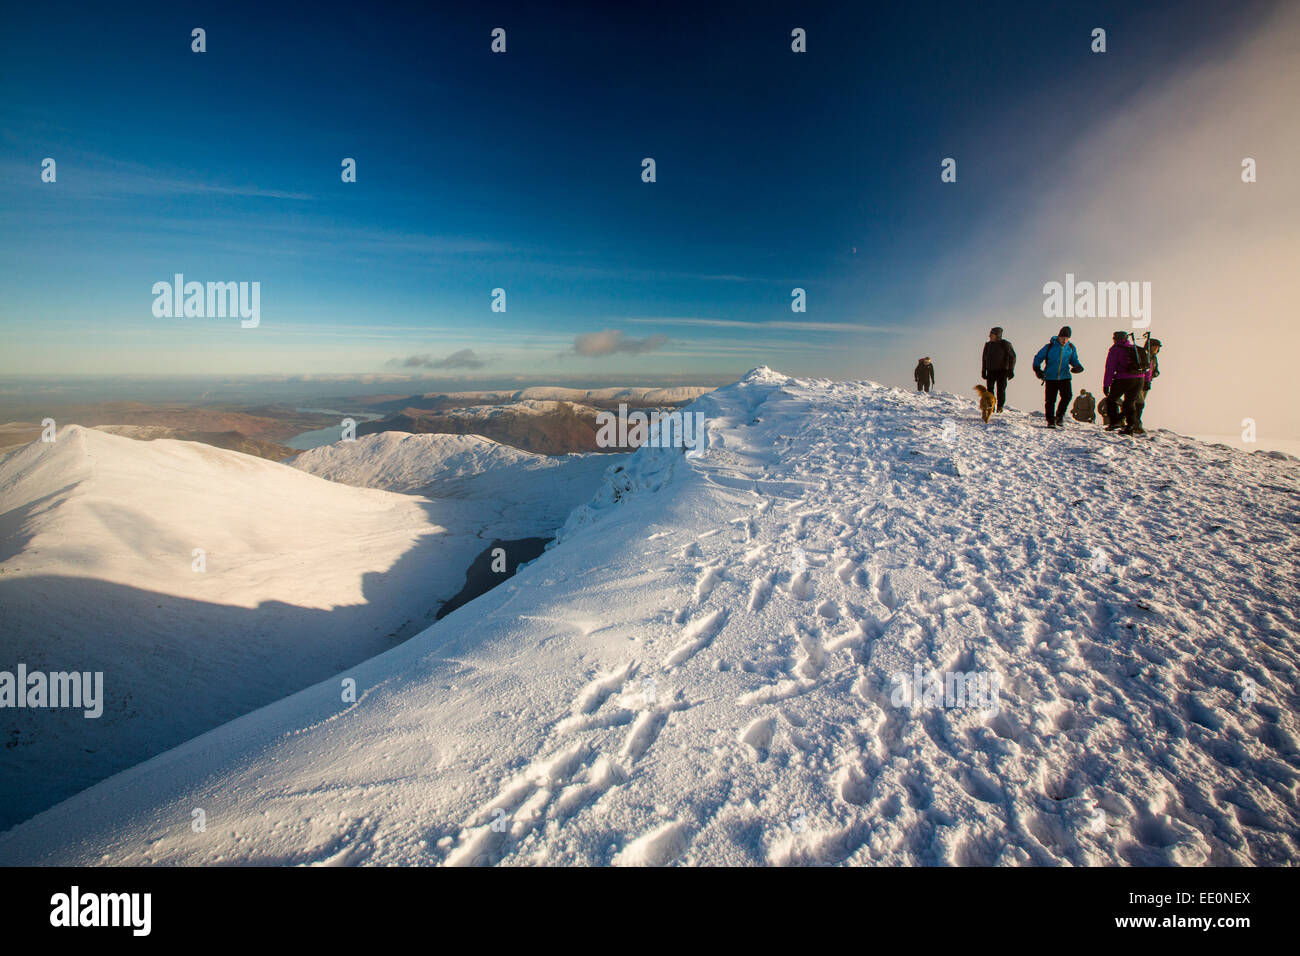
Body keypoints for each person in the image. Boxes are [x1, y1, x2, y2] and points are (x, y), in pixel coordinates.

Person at [1032, 326, 1084, 429]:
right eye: (1062, 337)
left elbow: (1074, 360)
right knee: (1050, 400)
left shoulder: (1071, 348)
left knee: (1067, 396)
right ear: (1058, 336)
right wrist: (1037, 370)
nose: (1064, 340)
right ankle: (1050, 420)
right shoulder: (1049, 347)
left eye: (1067, 338)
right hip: (1051, 377)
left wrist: (1078, 367)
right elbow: (1038, 358)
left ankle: (1060, 416)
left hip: (1065, 376)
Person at [1102, 330, 1148, 434]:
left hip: (1123, 379)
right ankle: (1130, 426)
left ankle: (1115, 422)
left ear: (1115, 339)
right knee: (1129, 402)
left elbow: (1110, 368)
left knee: (1111, 400)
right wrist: (1147, 381)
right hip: (1139, 379)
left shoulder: (1115, 350)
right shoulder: (1135, 349)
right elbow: (1147, 365)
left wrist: (1106, 385)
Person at [981, 327, 1016, 413]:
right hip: (990, 371)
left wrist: (1011, 369)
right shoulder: (988, 345)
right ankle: (991, 407)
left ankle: (1000, 407)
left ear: (997, 335)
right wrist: (983, 370)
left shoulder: (1005, 344)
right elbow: (984, 358)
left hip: (1002, 371)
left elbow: (1012, 357)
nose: (989, 336)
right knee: (989, 390)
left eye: (991, 334)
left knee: (1000, 390)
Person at [1132, 339, 1161, 433]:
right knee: (1138, 403)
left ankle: (1133, 422)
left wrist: (1155, 373)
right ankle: (1135, 424)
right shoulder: (1144, 354)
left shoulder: (1153, 357)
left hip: (1147, 383)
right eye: (1156, 347)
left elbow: (1155, 369)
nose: (1157, 349)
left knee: (1139, 403)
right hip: (1139, 381)